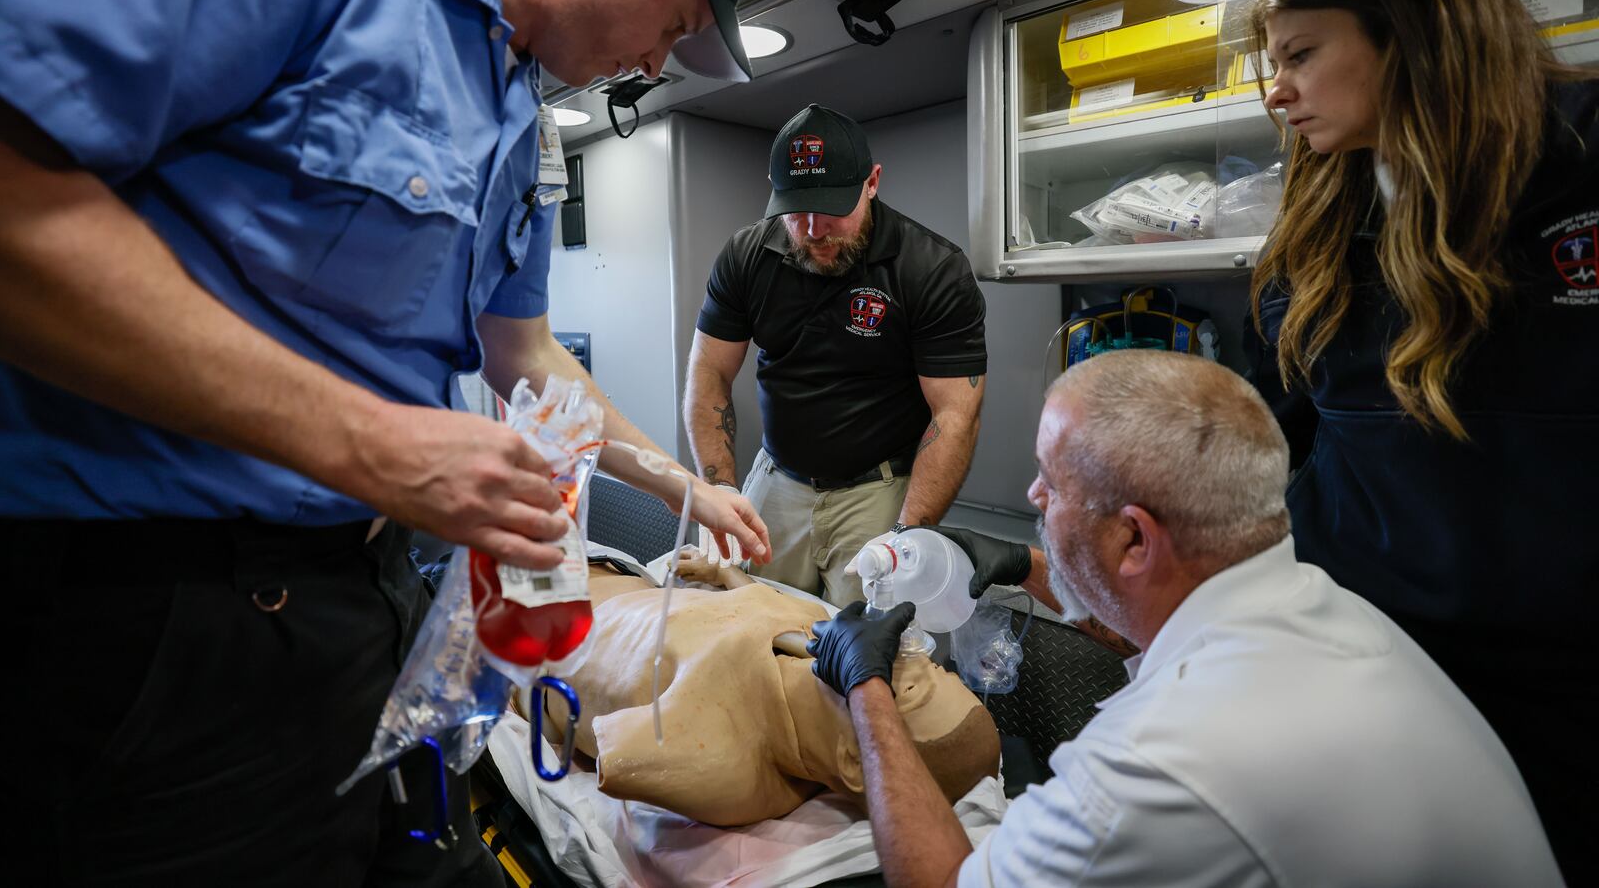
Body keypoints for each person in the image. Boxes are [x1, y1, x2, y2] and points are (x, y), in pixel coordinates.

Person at [0, 0, 768, 882]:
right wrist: (375, 444)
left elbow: (526, 352)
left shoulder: (514, 109)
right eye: (670, 28)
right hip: (156, 610)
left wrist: (680, 482)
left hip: (355, 600)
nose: (649, 63)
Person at [807, 350, 1562, 888]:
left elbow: (942, 880)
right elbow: (1155, 620)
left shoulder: (1157, 762)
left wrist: (866, 683)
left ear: (1135, 536)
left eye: (1051, 482)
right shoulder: (1326, 606)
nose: (1033, 496)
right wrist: (1030, 567)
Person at [1242, 0, 1598, 882]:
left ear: (1414, 30)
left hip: (1563, 692)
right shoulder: (1319, 219)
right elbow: (1269, 435)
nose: (1279, 92)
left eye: (1301, 54)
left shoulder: (1581, 163)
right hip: (1362, 669)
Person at [686, 103, 988, 604]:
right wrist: (720, 488)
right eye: (795, 209)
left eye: (831, 208)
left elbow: (956, 413)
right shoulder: (745, 256)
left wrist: (905, 539)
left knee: (863, 647)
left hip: (876, 489)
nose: (813, 229)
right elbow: (710, 371)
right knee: (757, 622)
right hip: (776, 481)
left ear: (872, 182)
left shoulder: (931, 269)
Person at [529, 551, 999, 826]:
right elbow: (760, 602)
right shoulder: (832, 643)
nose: (902, 657)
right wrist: (725, 576)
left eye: (908, 686)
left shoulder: (734, 762)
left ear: (857, 762)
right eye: (926, 665)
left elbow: (615, 753)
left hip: (529, 614)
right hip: (609, 569)